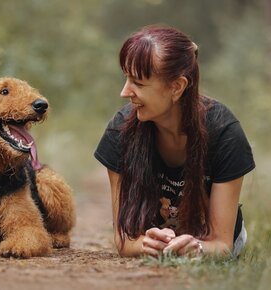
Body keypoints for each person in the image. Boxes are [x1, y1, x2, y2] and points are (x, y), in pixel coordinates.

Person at [94, 25, 255, 258]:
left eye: (138, 83)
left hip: (209, 240)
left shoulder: (224, 133)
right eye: (126, 78)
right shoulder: (120, 131)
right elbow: (124, 241)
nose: (125, 92)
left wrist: (196, 248)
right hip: (155, 238)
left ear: (177, 87)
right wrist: (145, 245)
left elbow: (222, 244)